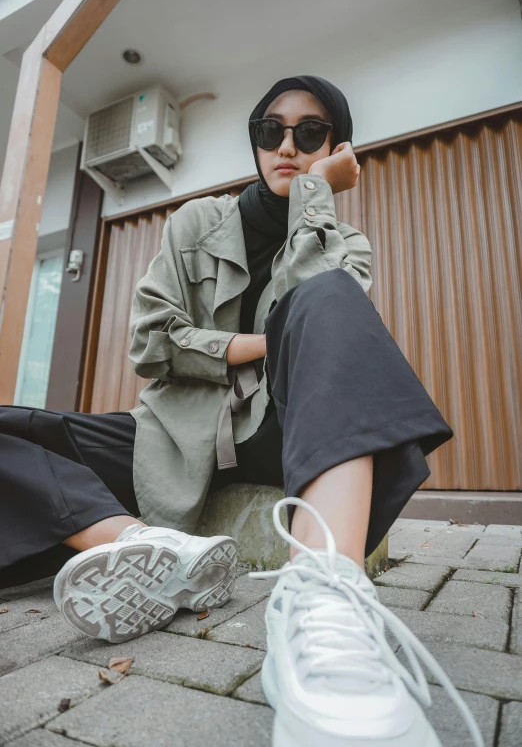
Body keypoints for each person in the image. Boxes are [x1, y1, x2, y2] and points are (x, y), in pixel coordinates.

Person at [0, 76, 482, 747]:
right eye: (270, 130)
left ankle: (323, 599)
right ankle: (143, 547)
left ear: (334, 147)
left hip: (279, 428)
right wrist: (257, 343)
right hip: (171, 432)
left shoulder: (346, 242)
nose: (287, 145)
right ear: (254, 141)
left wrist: (316, 196)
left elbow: (317, 321)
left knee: (333, 297)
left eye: (309, 133)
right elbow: (150, 340)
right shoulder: (194, 222)